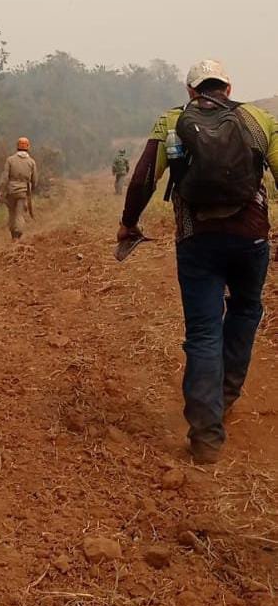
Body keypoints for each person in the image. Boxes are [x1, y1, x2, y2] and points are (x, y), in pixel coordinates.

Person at [117, 59, 278, 464]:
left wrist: (128, 224)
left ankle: (206, 436)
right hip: (252, 237)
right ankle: (226, 394)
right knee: (245, 309)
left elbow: (142, 179)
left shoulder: (173, 121)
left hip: (197, 239)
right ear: (228, 86)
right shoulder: (260, 118)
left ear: (191, 91)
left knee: (204, 330)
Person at [0, 137, 38, 241]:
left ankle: (13, 234)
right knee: (19, 214)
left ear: (17, 146)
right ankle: (17, 234)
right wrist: (31, 190)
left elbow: (4, 177)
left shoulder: (10, 160)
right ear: (28, 147)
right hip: (23, 191)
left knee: (12, 213)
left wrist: (1, 190)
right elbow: (34, 180)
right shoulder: (31, 162)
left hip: (11, 191)